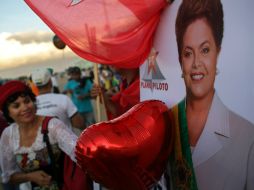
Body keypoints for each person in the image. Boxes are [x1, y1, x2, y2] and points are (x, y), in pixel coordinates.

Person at [165, 0, 254, 190]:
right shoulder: (165, 121)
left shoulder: (248, 138)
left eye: (205, 50)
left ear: (217, 53)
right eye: (188, 53)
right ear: (180, 60)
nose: (196, 63)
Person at [0, 80, 78, 190]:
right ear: (8, 113)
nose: (25, 108)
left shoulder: (52, 126)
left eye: (27, 101)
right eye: (16, 106)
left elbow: (77, 153)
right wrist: (29, 176)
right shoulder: (8, 135)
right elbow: (9, 176)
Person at [31, 68, 85, 133]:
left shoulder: (31, 105)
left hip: (44, 142)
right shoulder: (63, 99)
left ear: (35, 85)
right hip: (67, 141)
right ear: (50, 82)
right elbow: (79, 124)